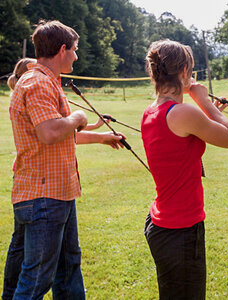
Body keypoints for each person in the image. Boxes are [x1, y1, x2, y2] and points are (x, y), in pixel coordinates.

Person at [2, 20, 125, 300]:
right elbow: (50, 132)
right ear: (62, 49)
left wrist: (103, 136)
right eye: (74, 50)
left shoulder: (46, 82)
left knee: (68, 268)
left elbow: (60, 137)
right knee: (36, 279)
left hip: (57, 193)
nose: (76, 56)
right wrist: (78, 118)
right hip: (43, 197)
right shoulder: (38, 83)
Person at [141, 39, 228, 299]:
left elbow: (181, 142)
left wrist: (205, 113)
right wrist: (204, 102)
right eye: (191, 71)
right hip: (180, 231)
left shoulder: (151, 112)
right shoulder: (183, 113)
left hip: (163, 225)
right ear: (184, 72)